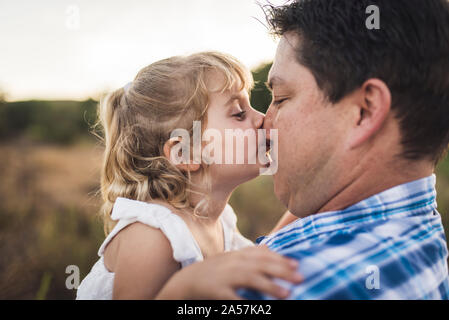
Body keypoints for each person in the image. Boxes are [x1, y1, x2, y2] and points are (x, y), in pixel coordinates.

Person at [161, 0, 449, 299]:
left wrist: (176, 292)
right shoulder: (416, 226)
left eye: (282, 98)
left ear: (364, 111)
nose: (265, 123)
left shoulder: (278, 289)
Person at [76, 51, 302, 300]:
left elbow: (258, 256)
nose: (262, 119)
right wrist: (185, 287)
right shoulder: (153, 235)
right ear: (185, 153)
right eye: (239, 113)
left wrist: (308, 205)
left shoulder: (219, 220)